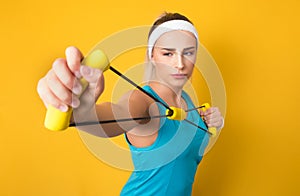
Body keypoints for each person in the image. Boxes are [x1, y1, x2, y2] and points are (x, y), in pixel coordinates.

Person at [37, 12, 224, 195]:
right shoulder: (142, 102)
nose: (180, 64)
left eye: (188, 53)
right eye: (168, 53)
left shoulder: (187, 101)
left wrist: (209, 122)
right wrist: (80, 112)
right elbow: (118, 114)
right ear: (152, 55)